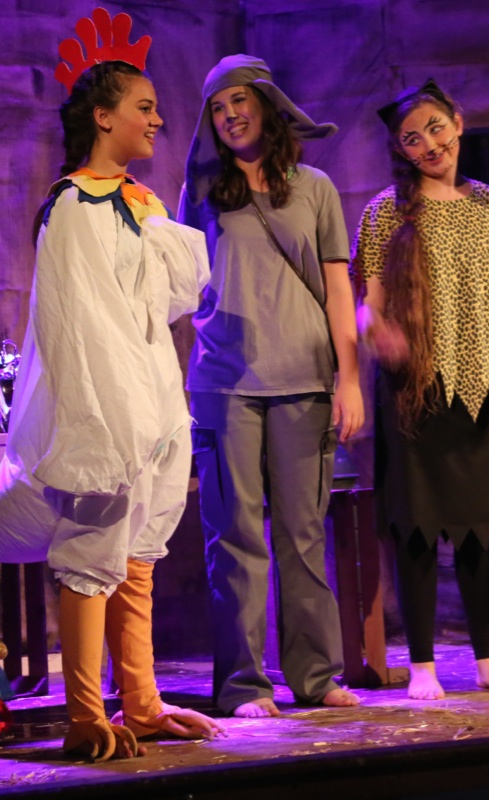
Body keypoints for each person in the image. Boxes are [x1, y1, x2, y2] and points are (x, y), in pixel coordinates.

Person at [0, 14, 224, 760]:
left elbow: (172, 301)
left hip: (150, 399)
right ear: (104, 117)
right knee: (94, 547)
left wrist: (154, 222)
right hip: (102, 408)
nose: (157, 119)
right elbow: (79, 326)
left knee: (137, 554)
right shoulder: (72, 207)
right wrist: (112, 424)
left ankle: (144, 702)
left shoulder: (136, 203)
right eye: (143, 107)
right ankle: (85, 714)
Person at [179, 54, 363, 718]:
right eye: (217, 107)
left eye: (239, 101)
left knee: (302, 533)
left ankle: (315, 676)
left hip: (304, 379)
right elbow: (180, 282)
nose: (230, 115)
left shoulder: (314, 187)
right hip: (224, 382)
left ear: (267, 104)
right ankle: (244, 685)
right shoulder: (201, 190)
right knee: (233, 536)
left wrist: (349, 379)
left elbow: (338, 288)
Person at [353, 80, 489, 700]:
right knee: (418, 528)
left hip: (481, 386)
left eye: (435, 128)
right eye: (412, 139)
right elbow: (366, 302)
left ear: (458, 122)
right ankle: (423, 665)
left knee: (480, 529)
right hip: (417, 392)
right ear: (400, 150)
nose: (428, 145)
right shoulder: (386, 210)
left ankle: (488, 661)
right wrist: (378, 333)